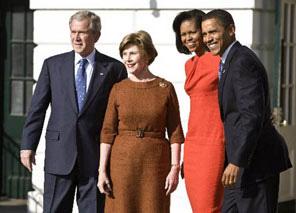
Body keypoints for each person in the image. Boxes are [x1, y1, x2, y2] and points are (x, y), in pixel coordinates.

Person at [20, 10, 127, 213]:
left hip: (95, 158)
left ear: (96, 35)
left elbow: (120, 117)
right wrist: (28, 145)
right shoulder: (53, 65)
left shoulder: (114, 68)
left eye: (83, 32)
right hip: (59, 155)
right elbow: (37, 108)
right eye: (73, 32)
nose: (76, 38)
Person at [201, 9, 292, 213]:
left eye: (213, 32)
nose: (208, 39)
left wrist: (236, 161)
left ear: (231, 30)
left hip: (256, 164)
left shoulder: (242, 61)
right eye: (205, 34)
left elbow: (251, 116)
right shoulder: (229, 60)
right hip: (242, 165)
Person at [97, 30, 184, 213]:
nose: (127, 58)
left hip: (155, 164)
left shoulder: (165, 88)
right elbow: (107, 132)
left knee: (153, 207)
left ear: (147, 55)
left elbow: (175, 133)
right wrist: (102, 171)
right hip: (122, 164)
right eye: (124, 54)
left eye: (133, 53)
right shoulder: (118, 89)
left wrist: (174, 168)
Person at [172, 9, 225, 212]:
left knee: (208, 206)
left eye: (192, 32)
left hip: (215, 141)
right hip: (193, 143)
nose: (187, 38)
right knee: (197, 206)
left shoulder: (220, 61)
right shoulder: (190, 64)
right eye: (183, 34)